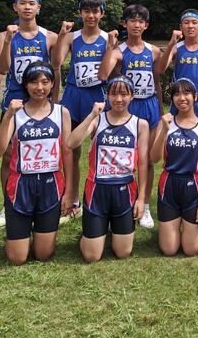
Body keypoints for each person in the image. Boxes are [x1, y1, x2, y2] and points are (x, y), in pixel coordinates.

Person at [0, 62, 76, 265]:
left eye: (45, 82)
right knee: (17, 258)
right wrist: (8, 116)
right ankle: (18, 233)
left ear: (52, 84)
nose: (40, 87)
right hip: (21, 185)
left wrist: (69, 192)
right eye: (34, 82)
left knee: (43, 255)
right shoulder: (15, 112)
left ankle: (34, 232)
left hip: (51, 184)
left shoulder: (61, 112)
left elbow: (67, 152)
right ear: (25, 85)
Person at [0, 0, 59, 229]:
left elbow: (55, 71)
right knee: (9, 153)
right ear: (15, 7)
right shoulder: (4, 35)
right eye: (23, 3)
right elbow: (2, 68)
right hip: (15, 100)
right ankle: (7, 203)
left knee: (43, 151)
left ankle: (45, 200)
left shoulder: (49, 36)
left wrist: (55, 100)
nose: (27, 7)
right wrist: (9, 41)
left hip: (41, 100)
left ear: (39, 7)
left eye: (32, 3)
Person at [67, 76, 149, 261]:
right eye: (113, 94)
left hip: (125, 191)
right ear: (107, 96)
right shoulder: (98, 120)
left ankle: (108, 230)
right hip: (97, 190)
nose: (118, 99)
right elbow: (71, 143)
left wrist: (141, 199)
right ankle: (92, 233)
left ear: (132, 96)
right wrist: (91, 115)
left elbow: (143, 163)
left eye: (124, 94)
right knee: (91, 256)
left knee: (123, 252)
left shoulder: (140, 124)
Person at [52, 0, 116, 223]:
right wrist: (61, 35)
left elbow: (107, 73)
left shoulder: (108, 38)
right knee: (70, 149)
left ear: (102, 13)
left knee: (103, 148)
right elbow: (56, 63)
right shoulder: (72, 37)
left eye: (95, 11)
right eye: (86, 11)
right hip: (73, 96)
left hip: (97, 96)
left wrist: (110, 47)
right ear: (80, 13)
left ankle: (103, 198)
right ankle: (72, 198)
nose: (91, 15)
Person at [97, 4, 162, 230]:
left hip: (150, 104)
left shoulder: (154, 51)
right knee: (122, 156)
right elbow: (103, 75)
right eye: (132, 20)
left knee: (148, 159)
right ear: (124, 24)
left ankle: (145, 206)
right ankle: (118, 202)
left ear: (146, 25)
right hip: (126, 106)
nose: (136, 25)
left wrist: (160, 109)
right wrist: (109, 47)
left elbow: (157, 81)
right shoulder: (119, 50)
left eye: (141, 21)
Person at [150, 78, 198, 256]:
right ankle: (177, 222)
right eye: (177, 94)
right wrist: (164, 129)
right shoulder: (166, 123)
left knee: (191, 250)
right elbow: (154, 158)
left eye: (186, 93)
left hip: (193, 186)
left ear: (195, 97)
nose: (182, 98)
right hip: (169, 185)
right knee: (169, 249)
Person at [156, 9, 198, 132]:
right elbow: (160, 69)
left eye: (194, 22)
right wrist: (171, 44)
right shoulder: (176, 48)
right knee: (176, 136)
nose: (190, 26)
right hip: (179, 99)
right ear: (181, 27)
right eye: (186, 23)